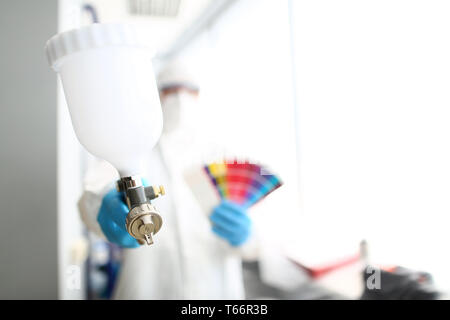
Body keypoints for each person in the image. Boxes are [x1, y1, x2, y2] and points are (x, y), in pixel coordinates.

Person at [78, 60, 259, 299]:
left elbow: (261, 242)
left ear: (199, 96)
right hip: (146, 288)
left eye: (189, 91)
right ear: (155, 98)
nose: (181, 99)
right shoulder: (130, 148)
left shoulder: (226, 154)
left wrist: (248, 236)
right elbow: (90, 194)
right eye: (170, 91)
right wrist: (103, 206)